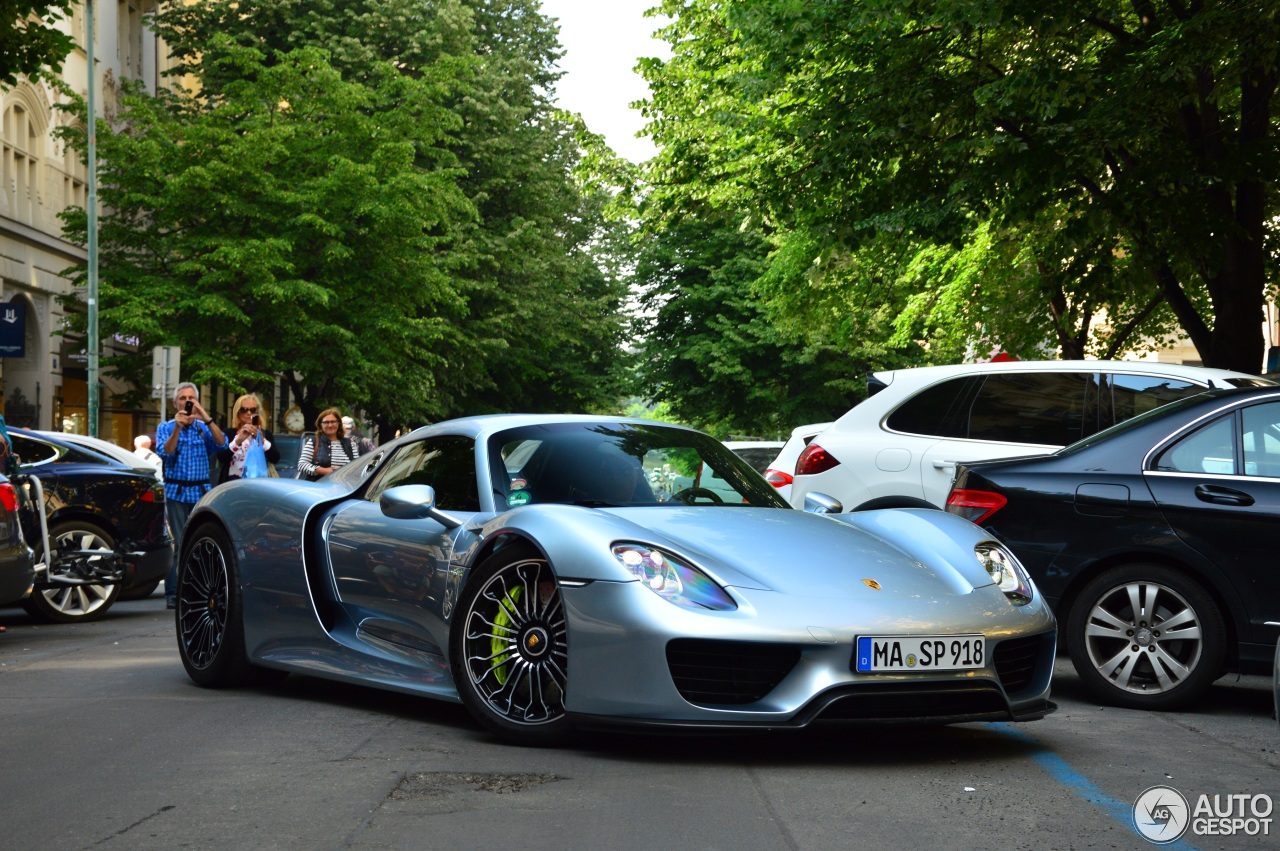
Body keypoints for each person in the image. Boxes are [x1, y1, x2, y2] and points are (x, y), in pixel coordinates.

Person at [156, 382, 227, 609]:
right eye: (182, 398)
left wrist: (203, 415)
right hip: (177, 492)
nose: (186, 401)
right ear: (175, 402)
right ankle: (173, 593)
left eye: (190, 398)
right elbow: (166, 452)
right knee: (179, 543)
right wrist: (177, 428)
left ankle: (198, 591)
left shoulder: (202, 427)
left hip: (200, 492)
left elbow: (221, 443)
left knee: (200, 542)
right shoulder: (166, 427)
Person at [215, 394, 281, 484]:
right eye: (244, 410)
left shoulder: (265, 434)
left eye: (253, 410)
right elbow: (221, 457)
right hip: (233, 483)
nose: (249, 413)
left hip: (259, 483)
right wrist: (238, 441)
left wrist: (262, 441)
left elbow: (275, 458)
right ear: (238, 412)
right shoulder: (229, 433)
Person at [296, 408, 361, 480]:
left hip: (344, 488)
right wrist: (323, 471)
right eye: (326, 422)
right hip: (318, 488)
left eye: (333, 422)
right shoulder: (314, 442)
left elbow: (357, 466)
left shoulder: (350, 444)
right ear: (320, 425)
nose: (330, 425)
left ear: (339, 423)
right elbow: (301, 465)